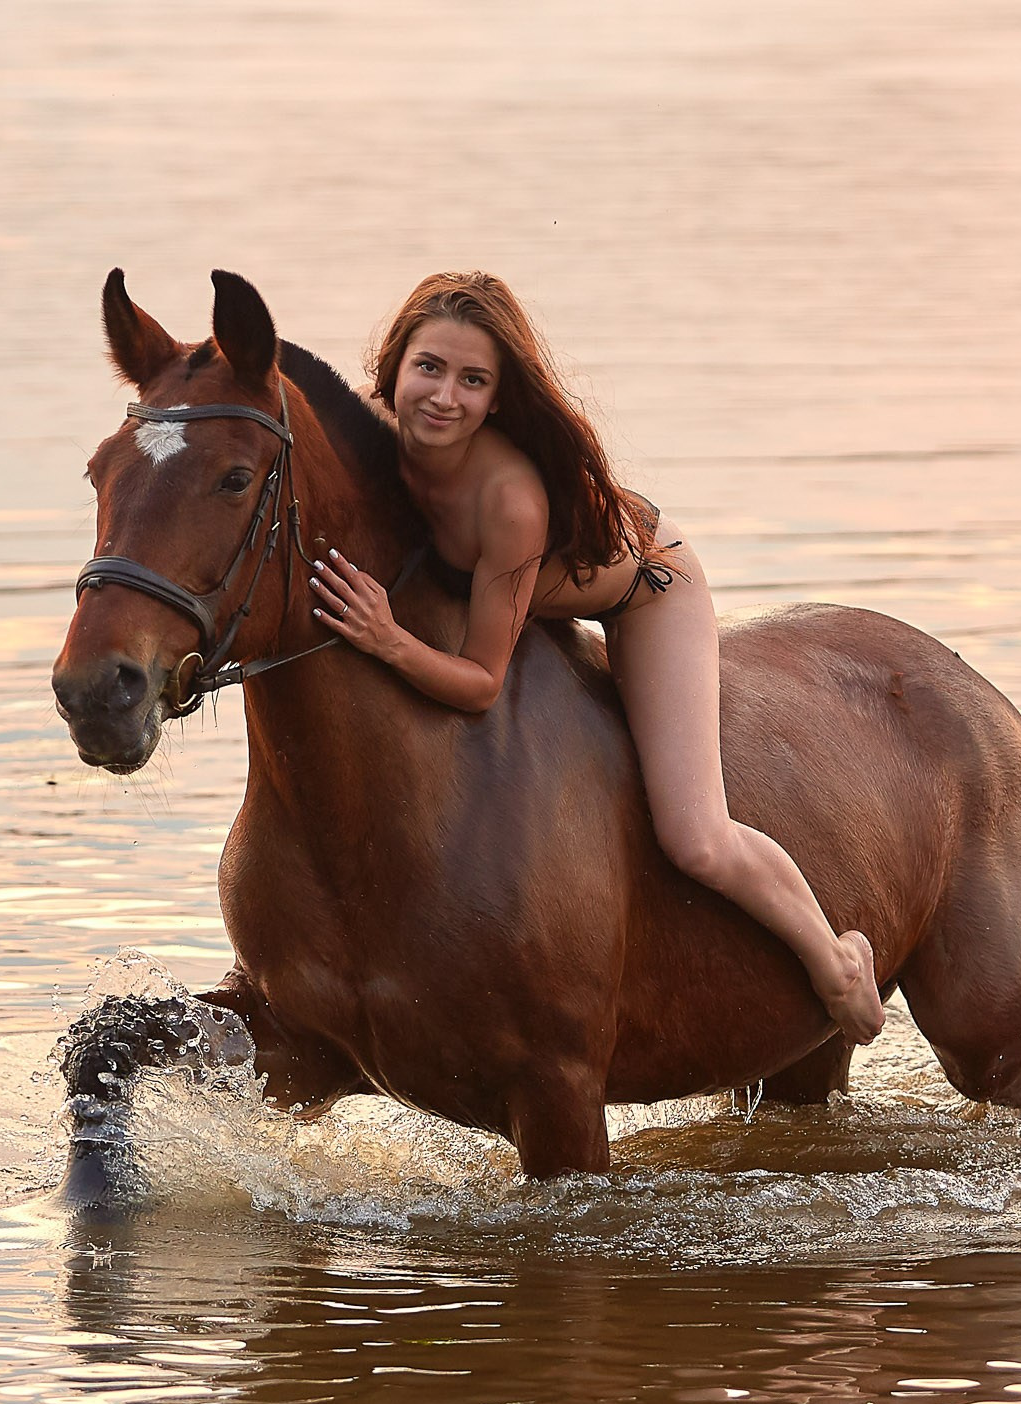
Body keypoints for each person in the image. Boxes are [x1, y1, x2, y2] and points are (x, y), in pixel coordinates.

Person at [306, 272, 887, 1044]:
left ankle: (836, 964)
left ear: (498, 399)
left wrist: (388, 639)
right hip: (515, 591)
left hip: (647, 590)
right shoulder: (362, 432)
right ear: (392, 368)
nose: (444, 397)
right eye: (430, 368)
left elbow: (482, 683)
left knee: (696, 837)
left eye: (473, 381)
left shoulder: (508, 498)